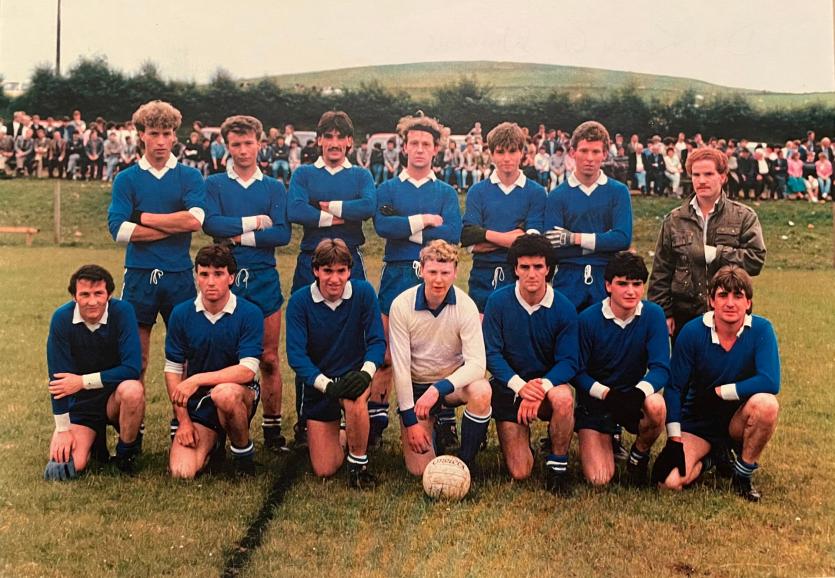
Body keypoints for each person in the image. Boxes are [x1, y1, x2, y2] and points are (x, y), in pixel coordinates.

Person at [371, 113, 462, 451]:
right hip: (396, 273)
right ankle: (376, 422)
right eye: (414, 144)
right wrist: (423, 220)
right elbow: (383, 227)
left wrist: (405, 227)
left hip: (434, 276)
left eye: (426, 144)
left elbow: (451, 233)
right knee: (385, 354)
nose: (420, 150)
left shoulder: (446, 191)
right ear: (404, 147)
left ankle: (444, 422)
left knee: (439, 350)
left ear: (435, 149)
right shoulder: (389, 187)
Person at [203, 115, 292, 452]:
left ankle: (272, 432)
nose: (243, 150)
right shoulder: (214, 184)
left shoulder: (273, 186)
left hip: (264, 279)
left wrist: (237, 236)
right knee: (226, 357)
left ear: (259, 143)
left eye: (248, 143)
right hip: (226, 279)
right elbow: (212, 224)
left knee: (268, 358)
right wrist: (255, 223)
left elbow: (282, 233)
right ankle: (221, 424)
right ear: (227, 146)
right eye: (236, 145)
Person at [287, 110, 375, 444]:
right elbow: (295, 211)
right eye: (328, 136)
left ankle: (352, 415)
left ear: (350, 142)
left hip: (350, 259)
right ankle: (305, 418)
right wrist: (340, 215)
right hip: (311, 259)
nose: (335, 143)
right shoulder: (305, 173)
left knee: (354, 338)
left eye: (341, 137)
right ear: (319, 140)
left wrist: (322, 208)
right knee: (308, 339)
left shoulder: (361, 175)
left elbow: (367, 207)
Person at [655, 266, 780, 502]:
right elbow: (673, 387)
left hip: (737, 421)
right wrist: (674, 439)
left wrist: (722, 392)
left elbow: (770, 380)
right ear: (712, 300)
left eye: (738, 296)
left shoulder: (762, 329)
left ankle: (742, 474)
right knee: (669, 482)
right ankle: (712, 457)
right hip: (699, 423)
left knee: (767, 404)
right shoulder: (692, 332)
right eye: (723, 295)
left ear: (748, 303)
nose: (730, 303)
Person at [107, 100, 206, 384]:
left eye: (166, 133)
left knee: (185, 355)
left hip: (179, 275)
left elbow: (195, 221)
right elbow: (119, 231)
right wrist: (174, 225)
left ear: (175, 135)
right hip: (139, 273)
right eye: (154, 133)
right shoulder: (126, 179)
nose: (160, 141)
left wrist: (143, 217)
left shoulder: (190, 176)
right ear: (141, 135)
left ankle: (184, 422)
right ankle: (133, 426)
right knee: (136, 359)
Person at [285, 239, 386, 487]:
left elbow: (376, 341)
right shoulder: (299, 301)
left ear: (349, 271)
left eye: (341, 271)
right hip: (320, 386)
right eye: (327, 271)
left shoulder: (363, 293)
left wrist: (365, 374)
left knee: (355, 397)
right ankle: (344, 433)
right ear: (315, 270)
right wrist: (326, 386)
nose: (334, 279)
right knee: (324, 469)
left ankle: (358, 464)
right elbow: (296, 356)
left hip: (353, 378)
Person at [483, 234, 577, 493]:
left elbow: (569, 361)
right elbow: (492, 354)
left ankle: (557, 466)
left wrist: (540, 388)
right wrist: (521, 388)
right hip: (509, 389)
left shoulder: (564, 307)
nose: (532, 274)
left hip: (546, 388)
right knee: (520, 472)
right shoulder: (498, 302)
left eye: (538, 267)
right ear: (515, 269)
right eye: (525, 267)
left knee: (564, 398)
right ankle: (524, 444)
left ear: (548, 269)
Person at [389, 240, 492, 475]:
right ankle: (433, 425)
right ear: (421, 269)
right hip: (417, 388)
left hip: (450, 385)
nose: (438, 279)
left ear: (455, 272)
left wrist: (438, 389)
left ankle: (466, 461)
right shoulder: (401, 305)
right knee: (420, 471)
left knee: (482, 389)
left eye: (445, 273)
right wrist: (410, 421)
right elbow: (401, 369)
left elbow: (477, 364)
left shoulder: (466, 306)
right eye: (432, 272)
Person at [165, 245, 264, 478]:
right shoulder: (181, 313)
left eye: (218, 274)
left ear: (231, 277)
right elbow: (173, 371)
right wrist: (184, 421)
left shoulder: (249, 313)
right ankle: (214, 443)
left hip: (237, 394)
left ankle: (243, 457)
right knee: (182, 472)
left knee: (225, 394)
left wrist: (197, 379)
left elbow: (247, 371)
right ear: (196, 277)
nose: (211, 281)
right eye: (204, 274)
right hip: (198, 402)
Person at [648, 147, 766, 343]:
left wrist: (715, 254)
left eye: (709, 174)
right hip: (684, 315)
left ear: (723, 177)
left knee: (727, 371)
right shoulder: (674, 220)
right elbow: (661, 271)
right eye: (696, 174)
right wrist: (664, 313)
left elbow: (756, 260)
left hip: (729, 316)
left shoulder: (744, 216)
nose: (702, 180)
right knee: (685, 372)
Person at [573, 252, 670, 487]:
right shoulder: (587, 319)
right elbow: (578, 372)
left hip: (632, 400)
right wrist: (607, 394)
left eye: (637, 284)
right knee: (599, 479)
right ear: (608, 285)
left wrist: (638, 393)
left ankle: (638, 455)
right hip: (597, 403)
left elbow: (660, 367)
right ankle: (607, 438)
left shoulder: (654, 315)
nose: (630, 291)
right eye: (622, 283)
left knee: (656, 406)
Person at [44, 265, 144, 480]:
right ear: (74, 297)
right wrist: (62, 430)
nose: (92, 301)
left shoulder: (123, 312)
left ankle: (126, 455)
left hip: (113, 398)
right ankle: (95, 443)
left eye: (99, 293)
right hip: (81, 405)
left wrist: (82, 381)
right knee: (66, 467)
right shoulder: (61, 318)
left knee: (133, 390)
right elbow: (58, 380)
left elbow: (132, 368)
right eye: (85, 294)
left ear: (109, 294)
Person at [544, 120, 632, 313]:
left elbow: (623, 239)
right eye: (584, 151)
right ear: (572, 152)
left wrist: (574, 238)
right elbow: (554, 249)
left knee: (605, 340)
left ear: (605, 154)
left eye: (596, 151)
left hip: (606, 281)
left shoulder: (618, 192)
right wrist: (603, 244)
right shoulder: (557, 195)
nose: (589, 158)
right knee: (569, 340)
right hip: (568, 281)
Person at [461, 121, 546, 313]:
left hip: (519, 277)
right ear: (491, 154)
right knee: (483, 339)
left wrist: (484, 234)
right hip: (482, 277)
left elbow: (532, 244)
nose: (507, 158)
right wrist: (515, 235)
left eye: (512, 151)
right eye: (500, 152)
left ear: (522, 153)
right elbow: (469, 239)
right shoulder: (477, 191)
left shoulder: (537, 192)